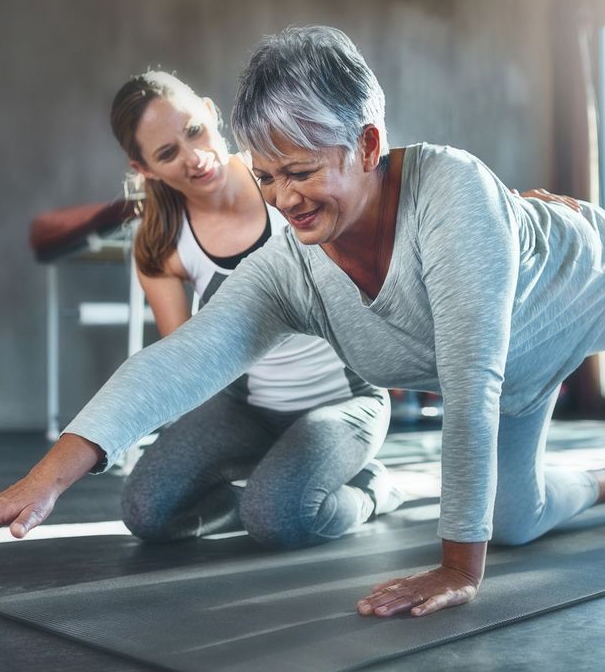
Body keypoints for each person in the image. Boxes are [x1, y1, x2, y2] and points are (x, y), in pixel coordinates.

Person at [0, 27, 605, 621]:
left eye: (306, 172)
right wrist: (40, 483)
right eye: (269, 177)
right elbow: (189, 354)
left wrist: (454, 568)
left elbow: (469, 379)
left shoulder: (452, 200)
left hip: (585, 285)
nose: (285, 200)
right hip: (520, 369)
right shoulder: (288, 261)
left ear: (367, 143)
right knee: (517, 519)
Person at [108, 70, 398, 548]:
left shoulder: (284, 176)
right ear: (144, 169)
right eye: (167, 153)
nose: (195, 157)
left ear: (208, 111)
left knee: (277, 519)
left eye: (194, 131)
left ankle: (370, 489)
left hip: (345, 401)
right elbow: (186, 364)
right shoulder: (162, 245)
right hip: (247, 409)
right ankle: (272, 495)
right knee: (147, 512)